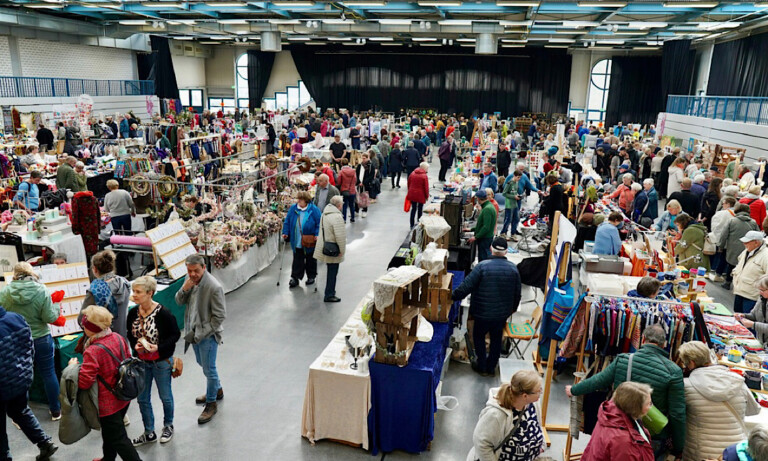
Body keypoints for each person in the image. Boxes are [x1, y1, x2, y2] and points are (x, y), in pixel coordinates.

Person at [566, 324, 685, 460]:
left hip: (621, 425)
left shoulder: (624, 360)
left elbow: (598, 381)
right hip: (653, 432)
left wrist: (574, 390)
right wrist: (679, 446)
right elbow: (678, 413)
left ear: (643, 339)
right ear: (664, 344)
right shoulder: (673, 371)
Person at [70, 305, 141, 461]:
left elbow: (85, 382)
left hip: (107, 403)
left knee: (119, 438)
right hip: (123, 395)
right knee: (111, 432)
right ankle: (108, 458)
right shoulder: (117, 337)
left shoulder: (93, 350)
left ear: (91, 328)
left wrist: (73, 368)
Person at [676, 341, 760, 461]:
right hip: (734, 453)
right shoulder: (738, 381)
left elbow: (679, 416)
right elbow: (754, 410)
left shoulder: (686, 387)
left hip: (701, 453)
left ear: (692, 363)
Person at [452, 237, 521, 376]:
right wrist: (510, 310)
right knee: (496, 338)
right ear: (506, 251)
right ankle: (491, 367)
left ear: (491, 248)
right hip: (501, 315)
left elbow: (466, 287)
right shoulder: (513, 270)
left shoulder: (482, 267)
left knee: (478, 336)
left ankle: (481, 365)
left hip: (481, 313)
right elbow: (517, 294)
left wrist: (452, 296)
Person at [0, 262, 61, 420]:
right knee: (48, 373)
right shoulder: (42, 290)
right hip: (41, 337)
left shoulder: (5, 292)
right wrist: (57, 305)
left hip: (17, 339)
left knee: (20, 376)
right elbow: (50, 317)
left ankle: (22, 417)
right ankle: (56, 411)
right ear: (31, 273)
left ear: (15, 274)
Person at [0, 305, 59, 461]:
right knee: (21, 411)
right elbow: (29, 347)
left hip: (2, 386)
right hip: (20, 379)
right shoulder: (16, 318)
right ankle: (45, 442)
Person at [127, 276, 180, 446]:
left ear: (150, 293)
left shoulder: (163, 313)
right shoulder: (132, 313)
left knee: (165, 396)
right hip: (142, 362)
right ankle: (149, 432)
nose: (134, 295)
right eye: (133, 291)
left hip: (161, 361)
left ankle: (168, 425)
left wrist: (159, 348)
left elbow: (175, 334)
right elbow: (130, 333)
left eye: (138, 292)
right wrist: (136, 346)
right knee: (142, 398)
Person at [175, 254, 226, 425]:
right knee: (202, 364)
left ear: (204, 268)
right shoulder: (188, 280)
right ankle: (217, 389)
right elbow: (179, 301)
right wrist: (185, 288)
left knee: (209, 369)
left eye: (196, 270)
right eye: (189, 271)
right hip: (193, 333)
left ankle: (211, 402)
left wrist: (203, 332)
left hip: (207, 336)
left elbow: (219, 316)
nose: (193, 274)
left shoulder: (214, 287)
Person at [466, 370, 544, 461]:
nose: (540, 393)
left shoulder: (533, 403)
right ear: (525, 396)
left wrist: (541, 444)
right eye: (538, 391)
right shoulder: (495, 415)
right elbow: (481, 443)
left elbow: (538, 425)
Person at [581, 382, 654, 461]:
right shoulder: (623, 441)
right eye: (648, 403)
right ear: (635, 407)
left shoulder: (610, 416)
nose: (651, 407)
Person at [80, 250, 131, 339]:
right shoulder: (124, 283)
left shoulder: (95, 290)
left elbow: (82, 320)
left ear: (95, 269)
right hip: (122, 338)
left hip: (104, 341)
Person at [282, 191, 322, 288]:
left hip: (310, 239)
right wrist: (285, 232)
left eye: (300, 199)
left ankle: (311, 276)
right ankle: (295, 278)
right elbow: (287, 221)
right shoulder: (293, 208)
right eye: (298, 199)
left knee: (310, 258)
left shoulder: (314, 209)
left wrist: (317, 234)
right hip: (297, 239)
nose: (298, 201)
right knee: (297, 258)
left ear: (306, 200)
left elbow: (319, 223)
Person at [314, 195, 347, 303]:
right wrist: (342, 250)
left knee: (330, 271)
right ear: (339, 205)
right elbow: (340, 236)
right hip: (334, 249)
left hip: (325, 246)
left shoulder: (325, 213)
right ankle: (329, 294)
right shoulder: (337, 217)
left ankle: (329, 292)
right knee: (333, 272)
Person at [719, 206, 761, 291]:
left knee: (731, 265)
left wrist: (721, 246)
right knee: (743, 265)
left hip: (732, 247)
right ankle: (739, 284)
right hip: (748, 248)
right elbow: (758, 235)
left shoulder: (732, 221)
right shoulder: (753, 222)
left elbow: (724, 235)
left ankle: (728, 282)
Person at [731, 230, 768, 313]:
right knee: (737, 315)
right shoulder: (747, 251)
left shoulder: (766, 255)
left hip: (752, 296)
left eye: (747, 242)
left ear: (756, 242)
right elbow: (739, 263)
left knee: (747, 319)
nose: (744, 244)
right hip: (739, 291)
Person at [735, 274, 768, 345]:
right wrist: (743, 316)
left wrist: (753, 325)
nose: (760, 292)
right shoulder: (762, 299)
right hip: (762, 341)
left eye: (762, 290)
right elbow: (754, 315)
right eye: (759, 289)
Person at [469, 189, 498, 262]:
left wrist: (476, 237)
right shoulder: (488, 206)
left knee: (484, 258)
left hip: (485, 238)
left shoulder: (487, 209)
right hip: (486, 237)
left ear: (478, 198)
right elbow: (482, 225)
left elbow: (486, 227)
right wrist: (471, 229)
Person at [406, 162, 430, 228]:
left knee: (413, 209)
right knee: (420, 209)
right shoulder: (424, 176)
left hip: (412, 193)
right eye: (427, 168)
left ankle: (411, 224)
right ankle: (419, 223)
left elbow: (409, 183)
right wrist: (427, 196)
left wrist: (409, 191)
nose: (428, 169)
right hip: (420, 195)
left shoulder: (412, 173)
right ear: (424, 168)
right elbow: (426, 187)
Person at [355, 152, 376, 219]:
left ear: (367, 158)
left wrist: (364, 182)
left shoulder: (371, 166)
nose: (363, 159)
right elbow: (356, 174)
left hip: (366, 185)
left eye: (364, 158)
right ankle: (356, 211)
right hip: (359, 185)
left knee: (365, 198)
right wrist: (358, 182)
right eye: (362, 158)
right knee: (357, 197)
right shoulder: (359, 166)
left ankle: (364, 211)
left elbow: (371, 176)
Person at [501, 170, 520, 240]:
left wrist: (517, 195)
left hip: (515, 204)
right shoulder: (509, 183)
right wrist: (513, 196)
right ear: (514, 176)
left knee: (516, 219)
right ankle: (503, 233)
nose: (519, 179)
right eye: (518, 177)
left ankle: (513, 233)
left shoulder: (516, 183)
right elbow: (504, 193)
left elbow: (514, 192)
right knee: (508, 219)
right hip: (509, 204)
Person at [338, 158, 357, 223]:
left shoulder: (341, 172)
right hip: (352, 190)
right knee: (352, 205)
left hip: (344, 190)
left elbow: (339, 181)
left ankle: (344, 219)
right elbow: (355, 180)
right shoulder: (353, 171)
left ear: (341, 164)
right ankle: (352, 218)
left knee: (344, 205)